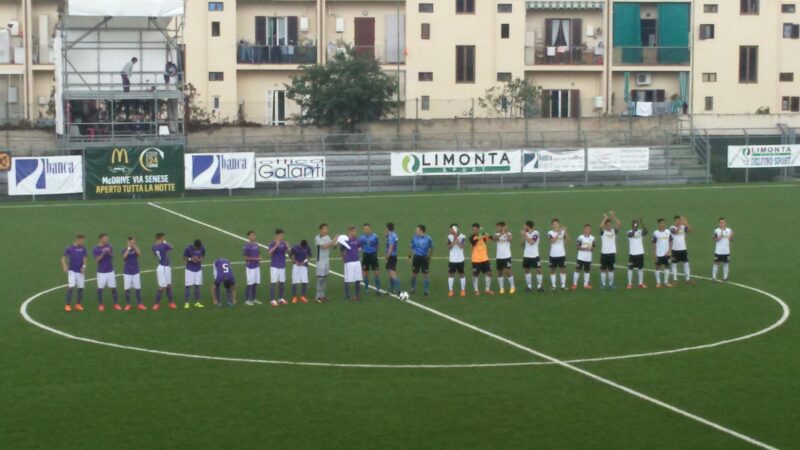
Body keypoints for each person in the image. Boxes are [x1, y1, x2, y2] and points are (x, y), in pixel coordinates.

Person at [93, 233, 119, 311]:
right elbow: (97, 260)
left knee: (113, 288)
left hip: (110, 270)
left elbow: (112, 256)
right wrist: (103, 253)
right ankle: (101, 305)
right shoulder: (96, 249)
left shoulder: (109, 246)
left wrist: (109, 252)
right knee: (100, 289)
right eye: (105, 238)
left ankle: (116, 304)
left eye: (107, 238)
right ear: (101, 239)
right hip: (101, 272)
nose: (107, 240)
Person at [62, 234, 87, 312]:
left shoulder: (83, 248)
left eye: (83, 240)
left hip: (80, 271)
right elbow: (63, 258)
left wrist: (84, 266)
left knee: (80, 288)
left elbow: (85, 257)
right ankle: (67, 305)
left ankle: (78, 305)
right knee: (71, 287)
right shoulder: (69, 248)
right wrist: (65, 266)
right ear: (77, 240)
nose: (83, 242)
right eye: (82, 240)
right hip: (72, 271)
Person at [152, 232, 175, 310]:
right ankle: (156, 304)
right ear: (161, 238)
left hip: (164, 267)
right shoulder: (164, 245)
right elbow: (172, 247)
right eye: (164, 238)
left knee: (168, 285)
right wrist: (165, 242)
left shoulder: (154, 247)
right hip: (164, 268)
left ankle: (171, 303)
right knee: (162, 287)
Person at [409, 225, 434, 296]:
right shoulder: (414, 238)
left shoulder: (428, 239)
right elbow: (411, 248)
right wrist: (409, 257)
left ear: (421, 231)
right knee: (414, 274)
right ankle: (412, 288)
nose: (415, 231)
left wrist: (429, 257)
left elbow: (431, 248)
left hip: (424, 258)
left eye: (417, 230)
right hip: (416, 258)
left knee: (426, 275)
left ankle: (426, 290)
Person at [340, 226, 363, 300]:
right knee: (347, 279)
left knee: (358, 279)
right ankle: (347, 295)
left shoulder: (357, 240)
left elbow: (360, 247)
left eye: (355, 231)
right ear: (349, 231)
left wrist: (357, 251)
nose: (355, 232)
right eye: (354, 231)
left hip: (357, 262)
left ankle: (357, 295)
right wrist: (344, 259)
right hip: (348, 262)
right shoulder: (345, 240)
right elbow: (342, 251)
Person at [470, 223, 494, 295]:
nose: (474, 231)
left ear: (478, 229)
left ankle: (487, 289)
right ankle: (476, 290)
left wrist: (485, 233)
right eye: (473, 229)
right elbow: (474, 242)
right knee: (475, 275)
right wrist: (480, 235)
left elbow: (491, 238)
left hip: (485, 259)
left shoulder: (483, 236)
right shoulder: (472, 237)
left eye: (476, 229)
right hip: (476, 259)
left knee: (489, 273)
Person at [267, 229, 289, 307]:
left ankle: (281, 298)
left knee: (281, 282)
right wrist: (276, 245)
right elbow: (270, 252)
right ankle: (272, 300)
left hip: (282, 265)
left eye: (282, 235)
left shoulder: (284, 243)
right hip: (274, 266)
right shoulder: (272, 243)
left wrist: (288, 247)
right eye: (281, 235)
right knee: (273, 283)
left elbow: (289, 253)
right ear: (277, 235)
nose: (282, 237)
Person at [122, 236, 145, 311]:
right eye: (131, 242)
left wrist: (134, 246)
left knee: (138, 288)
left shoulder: (135, 249)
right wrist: (129, 248)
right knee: (127, 289)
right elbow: (124, 256)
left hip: (135, 272)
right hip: (127, 272)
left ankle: (140, 304)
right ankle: (128, 304)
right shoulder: (124, 250)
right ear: (128, 242)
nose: (132, 243)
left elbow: (140, 254)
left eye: (133, 242)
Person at [599, 211, 621, 289]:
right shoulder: (603, 232)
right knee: (603, 270)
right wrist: (605, 218)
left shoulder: (613, 231)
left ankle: (611, 284)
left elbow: (619, 224)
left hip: (612, 253)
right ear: (605, 225)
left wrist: (613, 217)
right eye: (607, 225)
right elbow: (600, 226)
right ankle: (603, 284)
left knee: (611, 270)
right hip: (604, 253)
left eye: (609, 224)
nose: (609, 226)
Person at [492, 221, 515, 294]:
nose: (497, 228)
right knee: (500, 272)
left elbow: (510, 239)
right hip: (499, 257)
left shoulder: (509, 234)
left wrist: (505, 232)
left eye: (498, 227)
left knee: (508, 271)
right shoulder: (496, 234)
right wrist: (501, 234)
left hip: (507, 256)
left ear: (502, 227)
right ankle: (501, 288)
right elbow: (495, 239)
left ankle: (512, 286)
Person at [182, 239, 206, 309]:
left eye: (199, 248)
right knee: (188, 286)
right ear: (194, 245)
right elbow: (183, 258)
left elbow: (203, 256)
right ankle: (186, 303)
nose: (198, 249)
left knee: (197, 286)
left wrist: (200, 259)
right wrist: (191, 259)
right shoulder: (188, 248)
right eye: (197, 248)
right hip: (189, 269)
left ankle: (197, 302)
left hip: (198, 269)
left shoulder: (202, 247)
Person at [359, 224, 381, 295]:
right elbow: (360, 246)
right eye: (365, 229)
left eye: (367, 229)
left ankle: (378, 289)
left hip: (373, 256)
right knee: (365, 273)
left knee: (376, 273)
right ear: (363, 230)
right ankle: (366, 289)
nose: (366, 230)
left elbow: (377, 245)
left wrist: (374, 252)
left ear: (370, 229)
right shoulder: (361, 237)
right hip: (365, 256)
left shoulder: (375, 236)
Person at [670, 215, 693, 284]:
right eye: (677, 221)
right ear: (674, 221)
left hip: (683, 249)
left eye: (679, 221)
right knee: (674, 264)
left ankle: (688, 279)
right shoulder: (672, 228)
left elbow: (691, 230)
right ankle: (675, 279)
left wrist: (686, 224)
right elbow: (676, 232)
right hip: (675, 249)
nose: (679, 222)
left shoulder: (683, 227)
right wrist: (681, 224)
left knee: (686, 264)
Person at [314, 224, 334, 302]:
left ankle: (322, 296)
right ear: (321, 230)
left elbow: (333, 246)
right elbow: (324, 246)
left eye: (327, 229)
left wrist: (338, 241)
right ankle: (317, 296)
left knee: (324, 278)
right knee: (320, 278)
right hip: (320, 261)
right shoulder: (317, 238)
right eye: (325, 229)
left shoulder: (328, 237)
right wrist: (333, 241)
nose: (326, 230)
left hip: (326, 260)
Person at [547, 219, 569, 291]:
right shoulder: (549, 233)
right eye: (554, 224)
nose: (555, 225)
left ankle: (563, 285)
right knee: (552, 270)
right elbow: (552, 241)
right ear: (552, 225)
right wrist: (559, 232)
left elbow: (568, 240)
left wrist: (565, 232)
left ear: (559, 224)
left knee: (563, 269)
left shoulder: (562, 232)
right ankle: (553, 285)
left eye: (556, 224)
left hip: (561, 254)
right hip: (553, 255)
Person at [522, 220, 543, 292]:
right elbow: (522, 245)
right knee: (527, 270)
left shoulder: (536, 233)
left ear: (528, 226)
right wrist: (524, 237)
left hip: (535, 255)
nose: (524, 227)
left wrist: (525, 235)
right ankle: (529, 286)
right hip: (526, 255)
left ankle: (539, 286)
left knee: (539, 270)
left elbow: (532, 242)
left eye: (525, 226)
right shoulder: (526, 233)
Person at [627, 218, 648, 289]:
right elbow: (631, 235)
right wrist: (634, 228)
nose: (636, 225)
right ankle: (629, 283)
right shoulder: (629, 232)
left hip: (640, 253)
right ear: (632, 225)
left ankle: (640, 283)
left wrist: (642, 222)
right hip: (632, 254)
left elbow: (646, 231)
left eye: (636, 224)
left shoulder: (640, 231)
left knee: (640, 268)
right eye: (634, 224)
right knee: (630, 268)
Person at [652, 218, 673, 288]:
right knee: (657, 267)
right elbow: (654, 244)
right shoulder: (655, 233)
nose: (662, 224)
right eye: (661, 223)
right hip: (659, 254)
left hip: (667, 254)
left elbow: (670, 241)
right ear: (658, 224)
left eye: (663, 223)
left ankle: (666, 282)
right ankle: (658, 282)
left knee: (667, 266)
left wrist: (669, 251)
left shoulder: (668, 232)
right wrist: (654, 254)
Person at [447, 224, 467, 297]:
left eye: (451, 229)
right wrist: (453, 240)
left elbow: (462, 246)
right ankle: (451, 290)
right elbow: (449, 247)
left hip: (460, 259)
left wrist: (457, 239)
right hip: (452, 259)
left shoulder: (462, 236)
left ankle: (463, 290)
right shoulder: (449, 237)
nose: (450, 230)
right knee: (451, 274)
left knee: (461, 274)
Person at [572, 225, 595, 290]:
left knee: (587, 271)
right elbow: (577, 247)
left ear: (590, 230)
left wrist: (591, 248)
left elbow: (593, 248)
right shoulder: (580, 237)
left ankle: (586, 284)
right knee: (577, 270)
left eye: (589, 229)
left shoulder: (592, 238)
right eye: (586, 229)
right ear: (584, 230)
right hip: (580, 258)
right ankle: (574, 283)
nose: (588, 230)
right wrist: (586, 248)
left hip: (588, 258)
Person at [243, 231, 262, 306]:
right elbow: (245, 257)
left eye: (254, 235)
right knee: (249, 284)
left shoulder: (256, 244)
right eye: (252, 235)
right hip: (250, 267)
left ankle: (254, 299)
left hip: (257, 267)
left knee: (255, 283)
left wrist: (259, 258)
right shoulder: (246, 246)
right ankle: (247, 300)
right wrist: (256, 259)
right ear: (248, 237)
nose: (253, 237)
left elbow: (259, 253)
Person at [712, 218, 734, 282]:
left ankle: (725, 277)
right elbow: (714, 239)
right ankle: (714, 277)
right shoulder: (716, 230)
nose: (722, 224)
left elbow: (731, 240)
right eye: (721, 222)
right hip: (718, 251)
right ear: (719, 223)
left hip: (726, 251)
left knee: (726, 264)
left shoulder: (729, 230)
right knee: (716, 263)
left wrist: (731, 237)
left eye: (723, 222)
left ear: (725, 223)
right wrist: (720, 236)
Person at [385, 222, 400, 294]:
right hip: (394, 256)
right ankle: (391, 289)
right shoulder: (394, 235)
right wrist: (387, 235)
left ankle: (399, 291)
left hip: (391, 256)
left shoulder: (391, 236)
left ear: (387, 228)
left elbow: (390, 247)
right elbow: (395, 242)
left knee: (392, 274)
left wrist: (387, 256)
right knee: (390, 273)